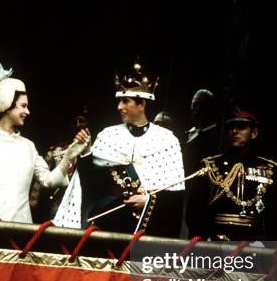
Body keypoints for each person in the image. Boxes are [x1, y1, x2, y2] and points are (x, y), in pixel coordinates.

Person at [54, 62, 185, 237]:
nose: (119, 107)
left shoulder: (167, 140)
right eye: (118, 101)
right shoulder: (108, 135)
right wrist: (85, 153)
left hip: (147, 229)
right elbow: (92, 185)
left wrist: (149, 200)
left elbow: (176, 198)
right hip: (108, 223)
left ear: (141, 104)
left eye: (125, 101)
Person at [0, 78, 87, 222]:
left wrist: (68, 157)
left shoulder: (28, 146)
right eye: (23, 106)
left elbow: (48, 180)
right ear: (7, 105)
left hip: (20, 226)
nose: (27, 111)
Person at [186, 108, 277, 240]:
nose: (234, 131)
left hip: (253, 241)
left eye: (241, 127)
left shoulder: (269, 169)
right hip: (215, 239)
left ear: (254, 133)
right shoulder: (211, 165)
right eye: (231, 128)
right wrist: (202, 239)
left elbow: (276, 213)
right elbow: (194, 210)